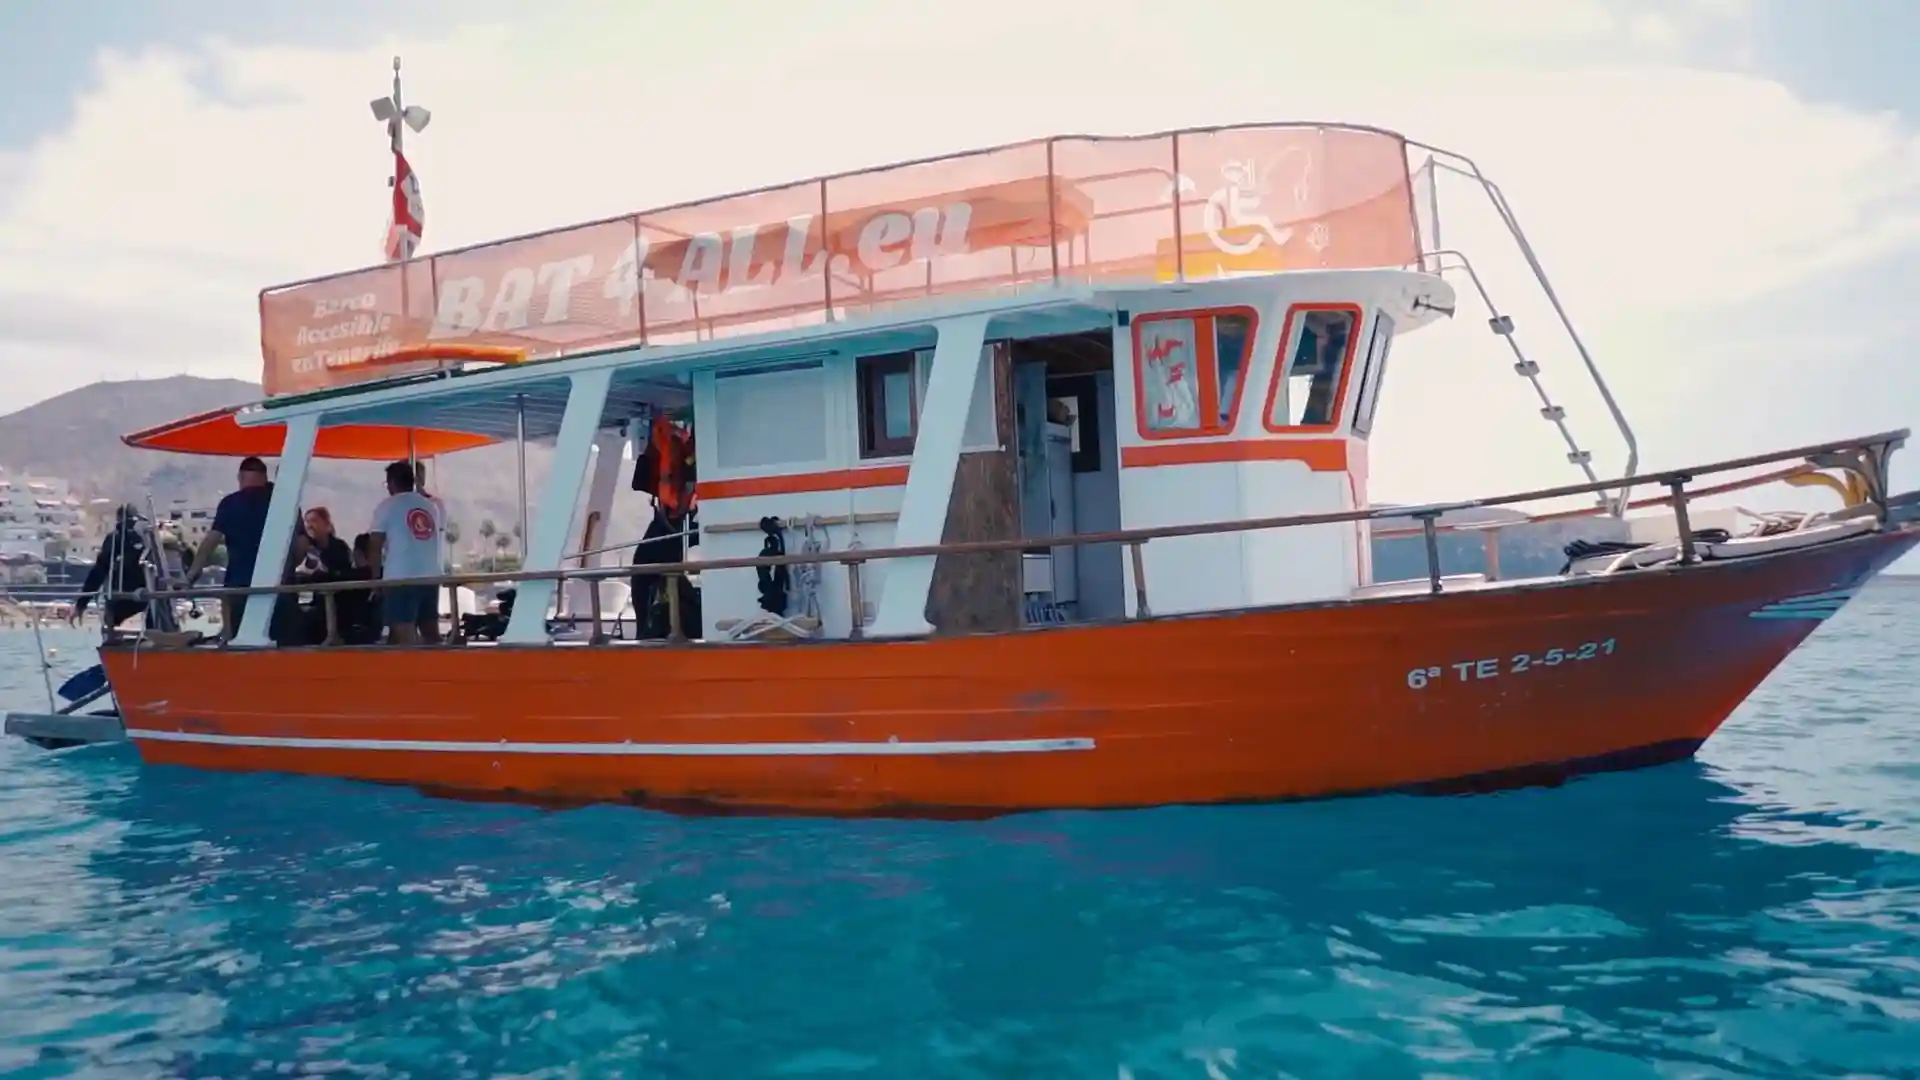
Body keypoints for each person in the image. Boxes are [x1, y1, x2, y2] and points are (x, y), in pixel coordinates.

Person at [189, 456, 305, 640]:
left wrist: (192, 574)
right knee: (285, 648)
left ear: (241, 478)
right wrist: (289, 565)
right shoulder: (285, 503)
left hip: (240, 590)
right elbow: (301, 545)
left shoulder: (230, 504)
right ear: (265, 477)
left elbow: (210, 541)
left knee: (242, 647)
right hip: (281, 591)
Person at [368, 458, 442, 645]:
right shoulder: (430, 506)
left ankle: (413, 672)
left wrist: (375, 580)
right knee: (430, 631)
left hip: (401, 578)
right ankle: (441, 670)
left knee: (404, 632)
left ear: (392, 482)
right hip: (431, 575)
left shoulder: (387, 506)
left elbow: (375, 546)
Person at [71, 505, 149, 631]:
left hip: (121, 598)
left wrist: (81, 604)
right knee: (154, 608)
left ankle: (111, 638)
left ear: (118, 519)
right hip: (149, 596)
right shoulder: (147, 537)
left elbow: (98, 572)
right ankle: (158, 636)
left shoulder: (115, 538)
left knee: (111, 620)